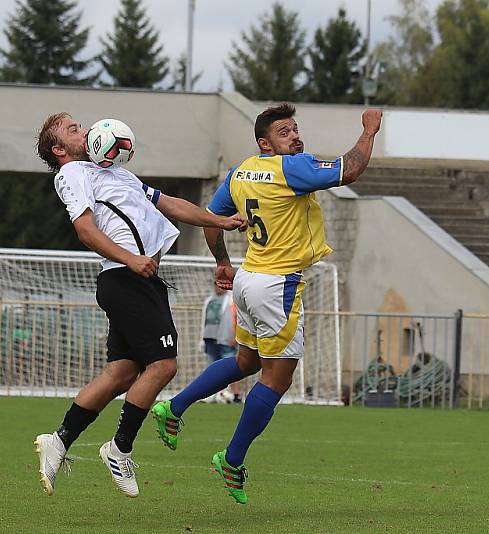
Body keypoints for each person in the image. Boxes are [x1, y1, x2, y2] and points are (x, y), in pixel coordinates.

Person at [152, 103, 382, 504]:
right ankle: (232, 459)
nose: (295, 136)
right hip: (278, 285)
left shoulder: (241, 172)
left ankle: (174, 408)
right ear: (266, 143)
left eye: (295, 129)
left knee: (246, 363)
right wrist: (369, 130)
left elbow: (210, 218)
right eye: (284, 132)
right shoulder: (292, 169)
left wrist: (223, 261)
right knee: (277, 381)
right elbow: (351, 169)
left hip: (248, 278)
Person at [32, 112, 246, 498]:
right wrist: (131, 259)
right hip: (126, 277)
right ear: (59, 149)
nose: (85, 129)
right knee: (163, 365)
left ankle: (59, 440)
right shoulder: (71, 175)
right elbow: (85, 230)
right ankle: (120, 448)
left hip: (137, 279)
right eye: (73, 129)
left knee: (122, 372)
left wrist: (220, 220)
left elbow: (170, 203)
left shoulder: (116, 174)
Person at [200, 284, 241, 402]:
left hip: (226, 338)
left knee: (231, 368)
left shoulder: (232, 300)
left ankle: (236, 395)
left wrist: (236, 336)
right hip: (210, 338)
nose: (218, 288)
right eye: (216, 285)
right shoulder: (209, 300)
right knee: (212, 368)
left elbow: (238, 318)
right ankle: (210, 394)